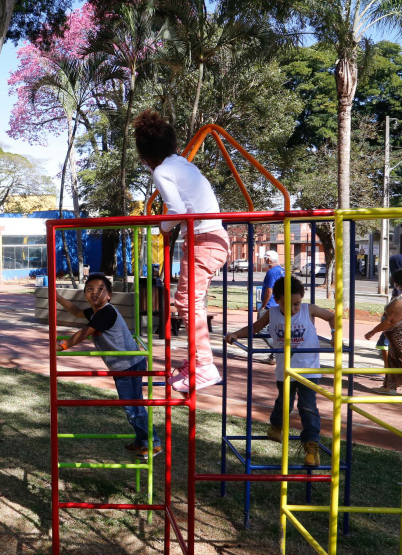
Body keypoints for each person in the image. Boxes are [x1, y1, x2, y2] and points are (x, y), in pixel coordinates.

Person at [133, 109, 229, 392]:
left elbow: (175, 209)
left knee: (187, 302)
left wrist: (162, 228)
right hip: (212, 238)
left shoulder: (162, 171)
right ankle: (195, 362)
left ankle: (204, 367)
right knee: (190, 301)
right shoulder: (185, 165)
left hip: (203, 239)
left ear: (145, 156)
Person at [225, 276, 335, 467]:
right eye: (287, 304)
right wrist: (236, 334)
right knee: (284, 402)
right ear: (277, 300)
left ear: (302, 298)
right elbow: (255, 328)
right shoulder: (273, 313)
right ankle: (276, 426)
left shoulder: (309, 310)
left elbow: (333, 316)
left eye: (296, 303)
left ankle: (311, 447)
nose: (293, 309)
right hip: (285, 369)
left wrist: (335, 335)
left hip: (308, 370)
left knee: (307, 407)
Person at [56, 273, 162, 459]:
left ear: (109, 294)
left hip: (128, 365)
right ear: (85, 294)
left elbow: (85, 333)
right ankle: (142, 441)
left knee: (133, 408)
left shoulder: (106, 312)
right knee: (133, 405)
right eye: (90, 289)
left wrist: (63, 345)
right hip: (124, 365)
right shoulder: (96, 311)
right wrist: (57, 298)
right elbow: (76, 311)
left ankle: (153, 443)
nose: (94, 293)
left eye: (100, 289)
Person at [364, 269, 402, 395]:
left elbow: (389, 321)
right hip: (394, 337)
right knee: (392, 361)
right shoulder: (398, 299)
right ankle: (390, 386)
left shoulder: (399, 302)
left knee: (397, 360)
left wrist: (372, 332)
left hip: (399, 337)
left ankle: (390, 386)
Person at [259, 250, 285, 365]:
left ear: (269, 259)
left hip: (270, 305)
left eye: (265, 259)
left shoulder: (271, 272)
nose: (265, 261)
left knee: (260, 328)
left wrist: (263, 306)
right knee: (274, 330)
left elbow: (269, 290)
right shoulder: (282, 271)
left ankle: (277, 350)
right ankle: (274, 355)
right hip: (280, 304)